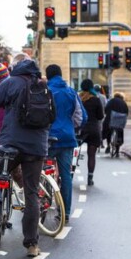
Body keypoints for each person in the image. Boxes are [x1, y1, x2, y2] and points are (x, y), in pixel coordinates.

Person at [0, 58, 51, 257]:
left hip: (11, 144)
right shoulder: (42, 86)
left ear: (15, 70)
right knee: (31, 193)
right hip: (36, 148)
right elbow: (52, 116)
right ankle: (31, 244)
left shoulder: (10, 83)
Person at [42, 64, 84, 221]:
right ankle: (65, 212)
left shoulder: (45, 91)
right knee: (66, 176)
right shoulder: (71, 92)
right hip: (67, 139)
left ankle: (42, 203)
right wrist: (70, 127)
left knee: (40, 171)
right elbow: (81, 117)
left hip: (46, 137)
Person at [78, 79, 104, 186]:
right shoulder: (96, 100)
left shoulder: (78, 98)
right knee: (91, 155)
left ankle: (70, 172)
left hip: (80, 129)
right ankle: (90, 177)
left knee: (73, 151)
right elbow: (100, 116)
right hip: (93, 129)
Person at [103, 92, 129, 156]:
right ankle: (117, 151)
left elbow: (106, 109)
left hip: (111, 119)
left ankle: (108, 145)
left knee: (108, 130)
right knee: (120, 132)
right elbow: (126, 112)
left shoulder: (111, 101)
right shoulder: (123, 103)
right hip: (120, 120)